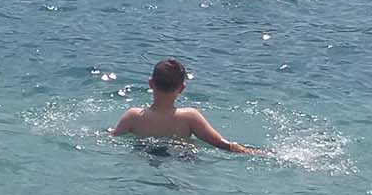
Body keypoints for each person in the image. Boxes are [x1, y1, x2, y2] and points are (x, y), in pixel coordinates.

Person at [110, 59, 260, 154]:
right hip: (179, 158)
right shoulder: (189, 117)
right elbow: (220, 143)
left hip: (143, 154)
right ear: (182, 88)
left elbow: (112, 137)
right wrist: (251, 151)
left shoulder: (133, 116)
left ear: (151, 83)